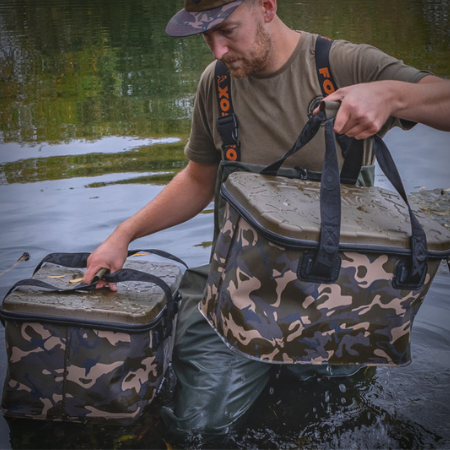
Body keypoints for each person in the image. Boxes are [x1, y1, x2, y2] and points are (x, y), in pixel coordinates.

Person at [83, 0, 450, 437]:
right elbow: (199, 180)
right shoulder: (217, 82)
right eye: (206, 36)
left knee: (330, 417)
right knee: (197, 429)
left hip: (336, 302)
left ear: (267, 7)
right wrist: (124, 234)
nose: (217, 50)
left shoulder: (345, 64)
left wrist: (391, 95)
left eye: (227, 31)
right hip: (236, 296)